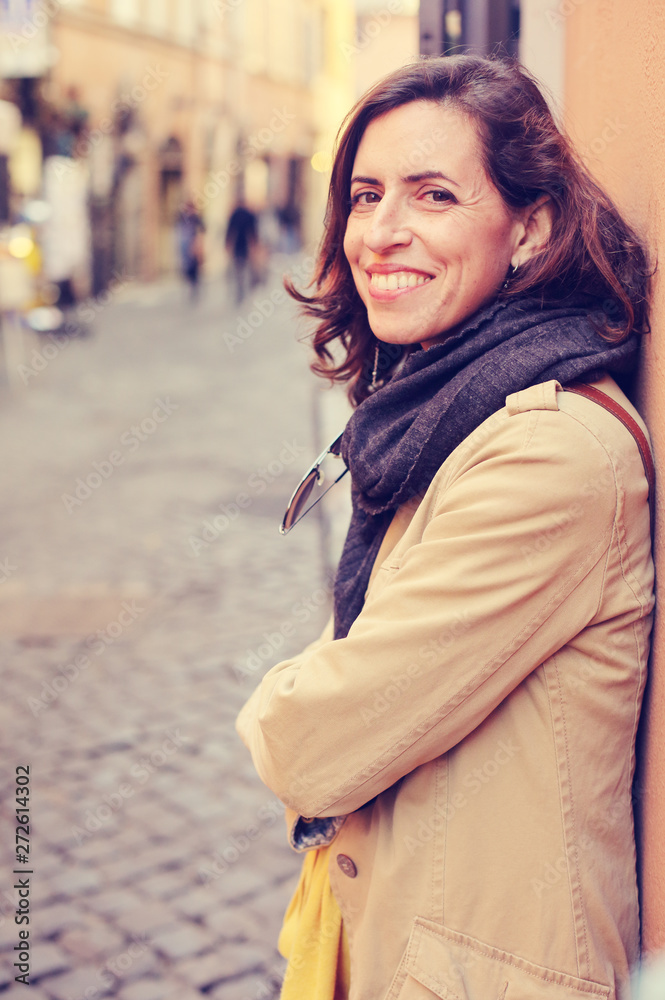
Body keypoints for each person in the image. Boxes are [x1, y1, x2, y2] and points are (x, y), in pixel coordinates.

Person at [236, 55, 654, 1000]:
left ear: (528, 226)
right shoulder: (444, 410)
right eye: (366, 195)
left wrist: (283, 696)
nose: (382, 233)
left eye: (433, 195)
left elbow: (312, 743)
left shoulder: (549, 457)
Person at [225, 198, 258, 303]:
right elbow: (253, 232)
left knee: (238, 270)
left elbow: (230, 231)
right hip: (246, 246)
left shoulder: (235, 214)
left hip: (237, 245)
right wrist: (254, 246)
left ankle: (240, 292)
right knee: (244, 270)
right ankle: (243, 291)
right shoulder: (249, 215)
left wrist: (228, 244)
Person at [176, 199, 205, 301]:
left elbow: (202, 232)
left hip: (194, 246)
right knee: (187, 267)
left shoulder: (196, 218)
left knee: (194, 268)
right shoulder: (182, 218)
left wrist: (198, 245)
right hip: (184, 246)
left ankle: (194, 287)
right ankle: (190, 286)